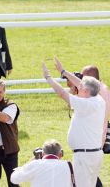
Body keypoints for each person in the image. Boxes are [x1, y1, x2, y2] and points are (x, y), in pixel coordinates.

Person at [42, 57, 105, 187]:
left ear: (87, 91)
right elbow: (81, 83)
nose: (78, 87)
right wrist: (63, 71)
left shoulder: (85, 104)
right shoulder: (98, 99)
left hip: (84, 156)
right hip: (92, 154)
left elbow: (62, 94)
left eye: (80, 87)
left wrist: (48, 78)